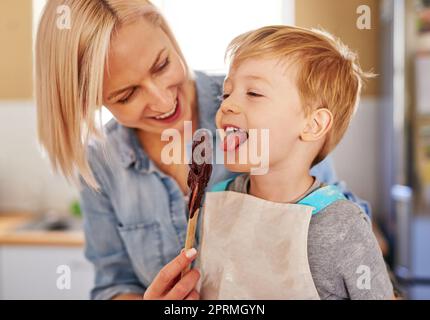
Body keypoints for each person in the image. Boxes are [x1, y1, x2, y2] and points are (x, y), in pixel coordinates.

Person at [35, 0, 370, 300]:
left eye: (162, 65)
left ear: (167, 34)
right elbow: (113, 281)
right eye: (126, 95)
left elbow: (342, 228)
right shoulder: (101, 162)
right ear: (89, 101)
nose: (163, 101)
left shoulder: (257, 105)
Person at [206, 25, 393, 299]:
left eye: (254, 93)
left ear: (313, 124)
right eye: (226, 93)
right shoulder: (216, 202)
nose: (227, 106)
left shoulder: (341, 225)